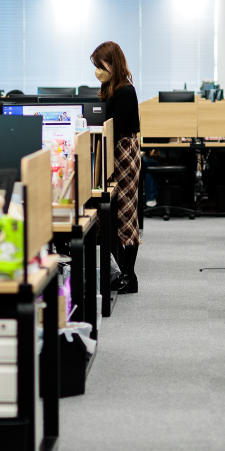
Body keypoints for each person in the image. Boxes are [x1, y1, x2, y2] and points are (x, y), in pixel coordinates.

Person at [92, 40, 141, 294]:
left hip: (124, 152)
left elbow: (115, 128)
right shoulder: (109, 89)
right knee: (109, 212)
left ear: (113, 64)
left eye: (101, 66)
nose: (97, 71)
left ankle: (130, 276)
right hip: (112, 150)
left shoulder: (125, 91)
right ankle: (117, 272)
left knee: (126, 213)